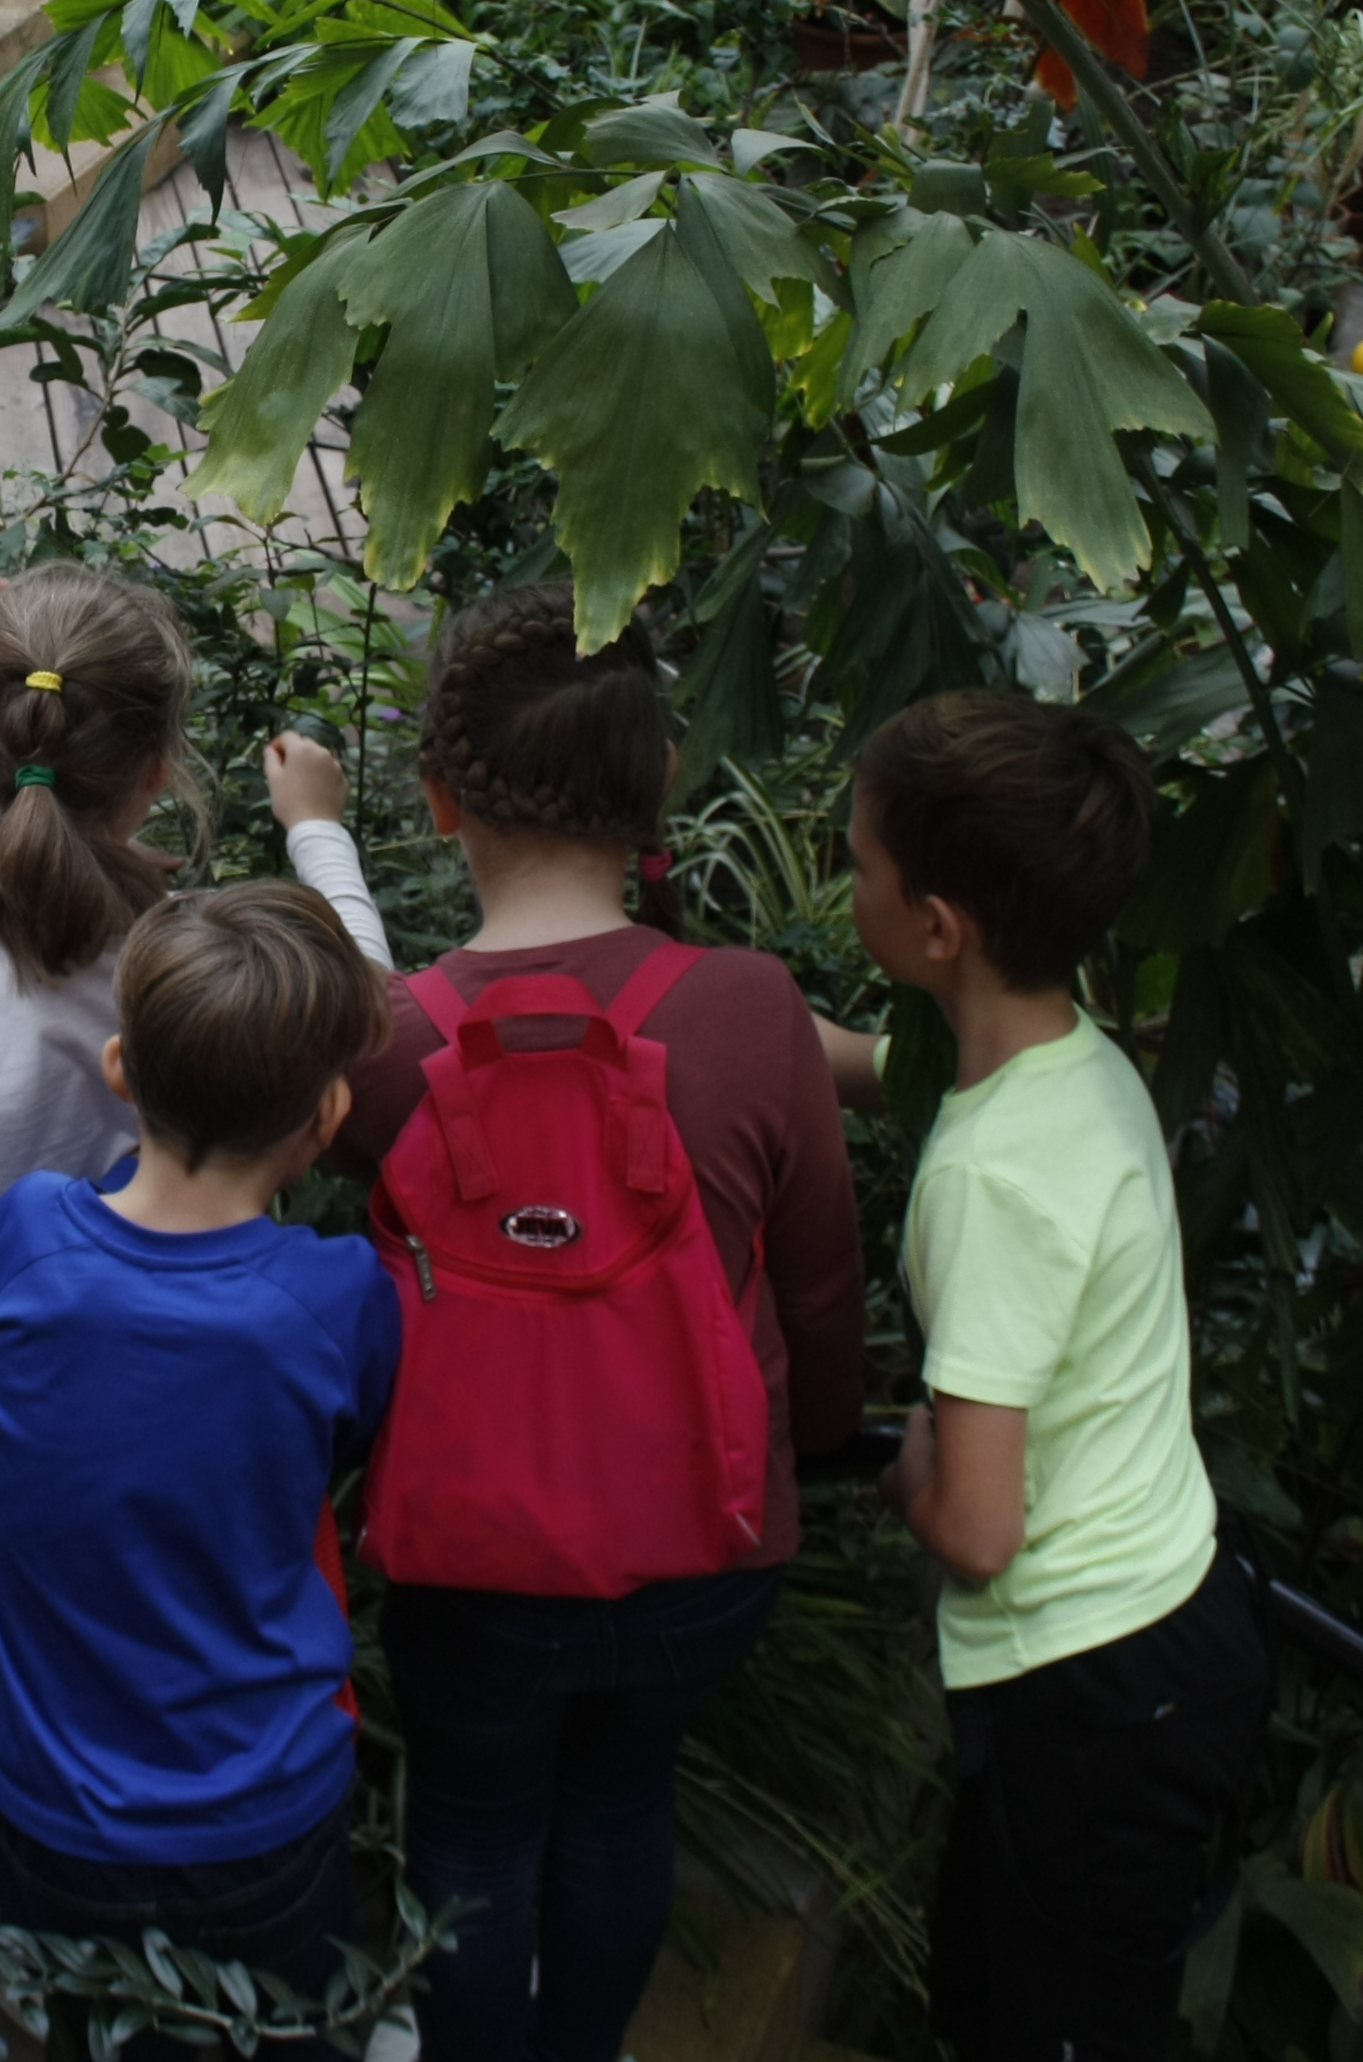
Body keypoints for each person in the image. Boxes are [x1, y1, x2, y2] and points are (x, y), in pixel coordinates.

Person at [331, 585, 866, 2062]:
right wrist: (810, 1445)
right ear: (658, 794)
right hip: (703, 1545)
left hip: (473, 1556)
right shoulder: (754, 1012)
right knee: (627, 1805)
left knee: (474, 1826)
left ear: (441, 801)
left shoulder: (392, 1042)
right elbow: (821, 1284)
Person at [0, 566, 388, 1543]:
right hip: (208, 1411)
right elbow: (367, 1004)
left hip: (3, 1442)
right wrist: (318, 832)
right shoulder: (206, 954)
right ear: (160, 769)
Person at [858, 691, 1264, 2061]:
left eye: (860, 862)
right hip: (1171, 1628)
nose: (848, 876)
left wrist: (912, 1467)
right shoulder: (1077, 1066)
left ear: (936, 927)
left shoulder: (988, 1180)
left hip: (1087, 1693)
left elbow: (980, 1526)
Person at [0, 882, 400, 2059]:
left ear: (118, 1068)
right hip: (263, 1811)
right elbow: (342, 1442)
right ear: (326, 1117)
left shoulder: (31, 1233)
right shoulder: (333, 1296)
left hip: (49, 1806)